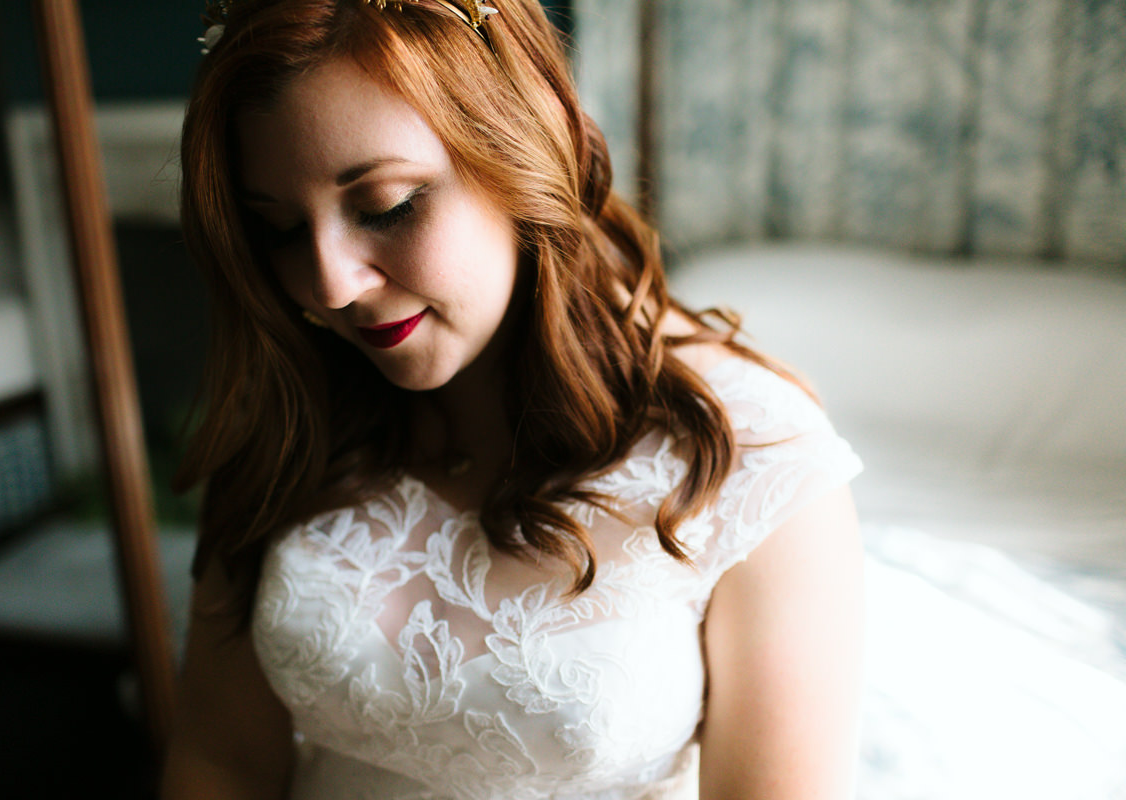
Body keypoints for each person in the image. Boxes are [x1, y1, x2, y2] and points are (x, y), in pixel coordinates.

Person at [160, 1, 865, 798]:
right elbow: (219, 762)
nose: (329, 285)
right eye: (281, 229)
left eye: (386, 206)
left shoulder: (752, 453)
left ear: (519, 153)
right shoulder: (294, 411)